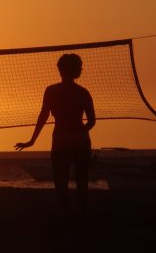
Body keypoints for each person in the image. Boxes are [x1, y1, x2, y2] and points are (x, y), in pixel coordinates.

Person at [15, 53, 96, 223]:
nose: (81, 69)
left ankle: (71, 216)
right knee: (81, 180)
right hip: (79, 139)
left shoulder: (52, 91)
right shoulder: (82, 92)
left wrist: (32, 140)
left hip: (62, 138)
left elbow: (43, 116)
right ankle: (81, 216)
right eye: (79, 66)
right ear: (72, 70)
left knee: (61, 180)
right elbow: (91, 121)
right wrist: (80, 132)